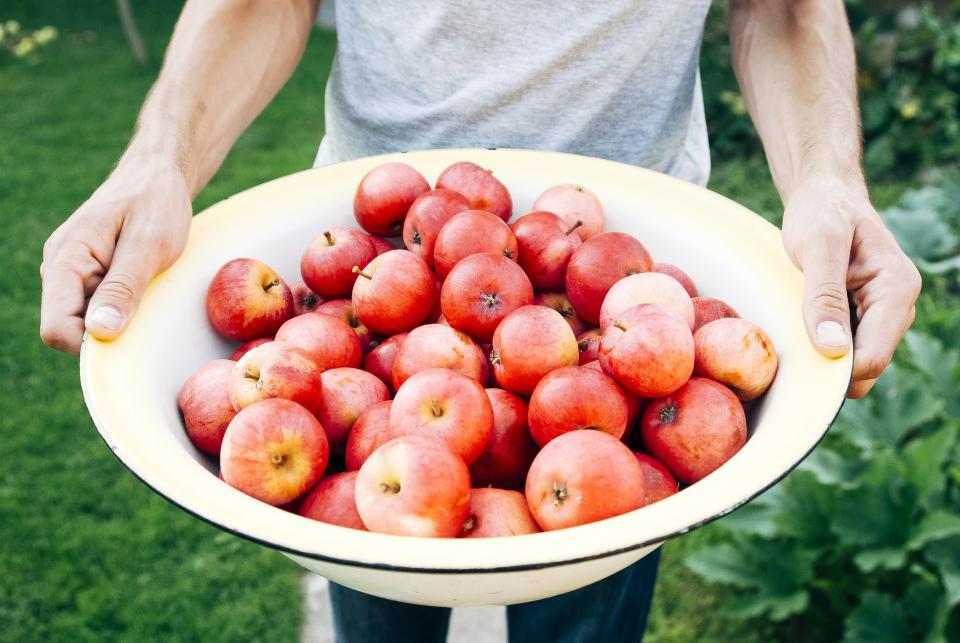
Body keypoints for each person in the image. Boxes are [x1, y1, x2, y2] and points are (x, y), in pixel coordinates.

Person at [39, 1, 921, 641]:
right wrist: (160, 159)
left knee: (587, 592)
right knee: (373, 560)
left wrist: (827, 177)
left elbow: (786, 6)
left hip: (631, 263)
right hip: (372, 255)